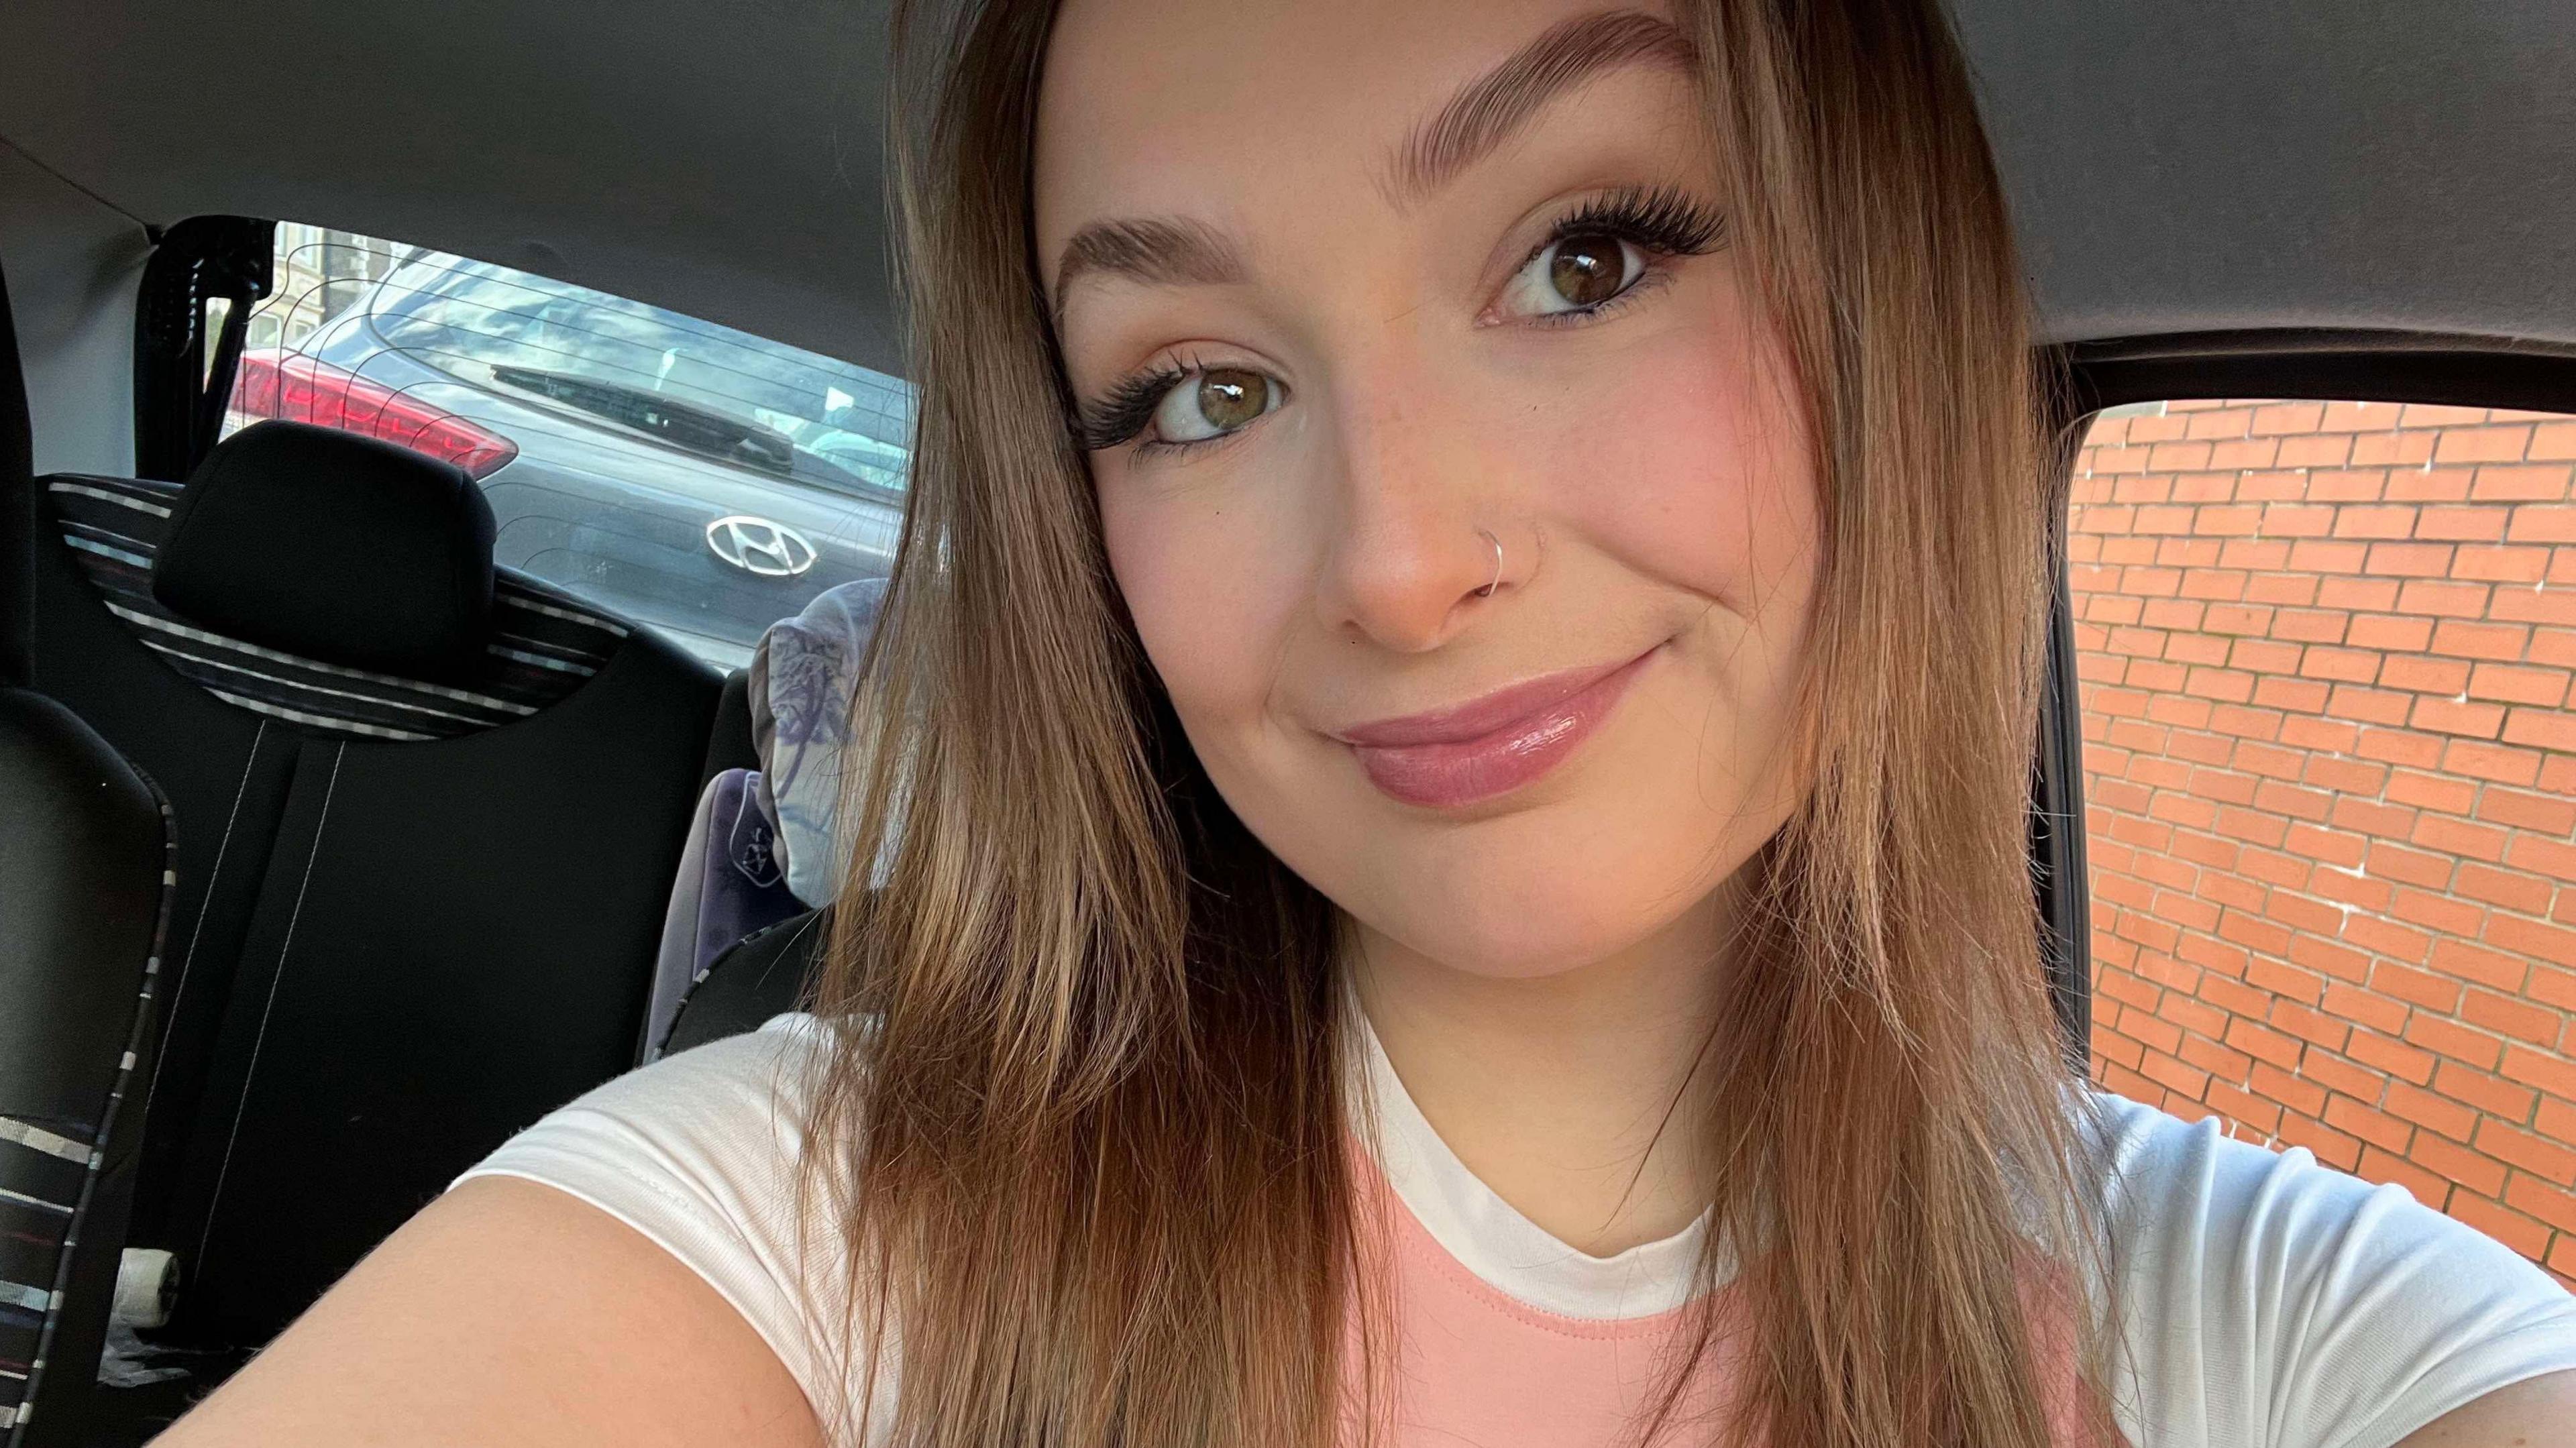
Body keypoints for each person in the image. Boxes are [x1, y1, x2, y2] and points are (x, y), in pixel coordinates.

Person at [153, 1, 2576, 1445]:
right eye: (1200, 389)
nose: (1401, 559)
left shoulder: (2280, 1333)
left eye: (1587, 256)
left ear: (1900, 329)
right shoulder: (830, 1228)